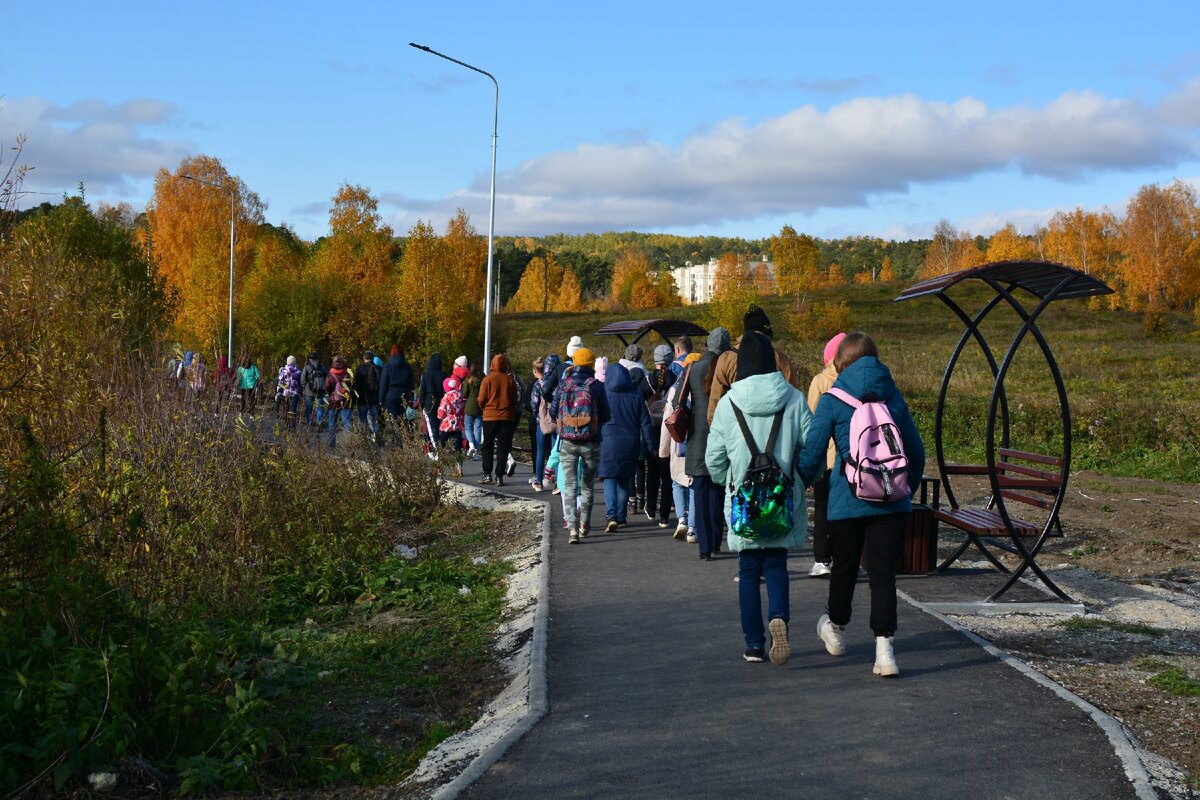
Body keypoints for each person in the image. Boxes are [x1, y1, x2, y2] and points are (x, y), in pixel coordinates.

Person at [798, 332, 925, 678]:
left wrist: (804, 479)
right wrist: (902, 489)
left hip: (847, 498)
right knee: (883, 575)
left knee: (845, 568)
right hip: (890, 502)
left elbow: (812, 451)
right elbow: (915, 452)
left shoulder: (833, 397)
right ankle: (884, 651)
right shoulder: (893, 397)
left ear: (841, 361)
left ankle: (836, 630)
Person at [707, 330, 812, 665]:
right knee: (777, 563)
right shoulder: (794, 399)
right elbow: (812, 449)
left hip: (744, 501)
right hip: (781, 501)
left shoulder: (728, 404)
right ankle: (778, 617)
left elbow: (714, 460)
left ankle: (754, 644)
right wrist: (799, 480)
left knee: (749, 569)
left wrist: (733, 483)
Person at [550, 347, 610, 543]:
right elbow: (606, 414)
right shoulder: (596, 386)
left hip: (568, 441)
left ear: (574, 363)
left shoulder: (563, 384)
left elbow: (553, 411)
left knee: (569, 486)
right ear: (592, 364)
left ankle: (573, 529)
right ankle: (585, 525)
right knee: (587, 486)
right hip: (591, 442)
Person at [707, 306, 803, 424]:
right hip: (773, 430)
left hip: (736, 429)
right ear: (766, 330)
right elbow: (793, 397)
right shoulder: (780, 358)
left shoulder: (726, 358)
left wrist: (718, 431)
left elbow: (715, 400)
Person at [684, 327, 732, 559]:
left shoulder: (693, 368)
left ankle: (704, 546)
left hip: (697, 436)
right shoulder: (729, 368)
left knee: (700, 491)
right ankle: (715, 541)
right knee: (718, 491)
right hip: (721, 435)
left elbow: (678, 400)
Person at [806, 332, 847, 577]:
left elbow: (810, 424)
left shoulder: (820, 382)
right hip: (848, 459)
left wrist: (809, 465)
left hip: (823, 459)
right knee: (843, 510)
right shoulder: (854, 381)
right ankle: (842, 556)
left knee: (821, 508)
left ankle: (822, 560)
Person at [599, 363, 655, 533]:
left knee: (610, 479)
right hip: (630, 442)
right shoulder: (636, 396)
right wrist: (651, 447)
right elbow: (646, 424)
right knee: (624, 479)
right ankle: (621, 517)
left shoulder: (604, 394)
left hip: (607, 441)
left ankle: (611, 516)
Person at [643, 346, 676, 526]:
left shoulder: (647, 380)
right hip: (668, 430)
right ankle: (664, 514)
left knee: (652, 472)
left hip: (650, 430)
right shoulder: (675, 380)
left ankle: (650, 507)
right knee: (667, 474)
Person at [476, 353, 520, 485]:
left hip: (490, 416)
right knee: (503, 446)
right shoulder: (510, 380)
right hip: (506, 417)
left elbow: (481, 399)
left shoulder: (487, 380)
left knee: (487, 445)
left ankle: (487, 473)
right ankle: (499, 476)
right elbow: (514, 399)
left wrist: (485, 408)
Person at [658, 371, 691, 537]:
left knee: (677, 482)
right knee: (693, 484)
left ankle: (681, 519)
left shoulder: (676, 391)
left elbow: (667, 422)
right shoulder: (706, 388)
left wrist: (663, 451)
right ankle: (693, 525)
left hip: (678, 442)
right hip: (698, 443)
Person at [379, 345, 415, 440]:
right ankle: (405, 441)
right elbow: (411, 385)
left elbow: (383, 384)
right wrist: (410, 399)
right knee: (404, 420)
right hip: (404, 396)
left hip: (391, 396)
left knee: (394, 421)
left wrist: (381, 400)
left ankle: (398, 443)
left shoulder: (387, 366)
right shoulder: (408, 367)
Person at [437, 376, 466, 477]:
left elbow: (440, 413)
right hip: (458, 425)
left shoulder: (445, 398)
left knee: (441, 446)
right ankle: (459, 469)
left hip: (447, 426)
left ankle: (439, 468)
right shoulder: (461, 396)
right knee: (458, 447)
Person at [417, 354, 446, 455]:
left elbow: (422, 391)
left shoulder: (426, 375)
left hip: (429, 401)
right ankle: (440, 442)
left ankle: (432, 443)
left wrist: (421, 403)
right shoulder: (444, 374)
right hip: (441, 400)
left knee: (430, 423)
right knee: (440, 423)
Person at [323, 355, 354, 446]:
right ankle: (348, 443)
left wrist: (331, 394)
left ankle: (331, 442)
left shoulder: (330, 373)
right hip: (346, 400)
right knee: (346, 422)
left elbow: (326, 386)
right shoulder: (347, 372)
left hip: (333, 401)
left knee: (332, 422)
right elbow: (351, 385)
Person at [354, 350, 382, 440]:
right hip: (375, 398)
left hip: (362, 398)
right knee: (374, 419)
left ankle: (364, 438)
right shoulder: (379, 368)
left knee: (362, 420)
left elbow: (355, 384)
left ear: (364, 358)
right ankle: (375, 436)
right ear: (373, 358)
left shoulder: (359, 369)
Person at [462, 361, 484, 460]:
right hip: (480, 406)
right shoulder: (483, 379)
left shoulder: (468, 380)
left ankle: (471, 445)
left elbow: (464, 394)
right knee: (478, 429)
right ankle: (475, 451)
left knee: (468, 427)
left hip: (469, 406)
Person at [276, 355, 302, 430]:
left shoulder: (285, 371)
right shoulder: (297, 372)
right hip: (292, 394)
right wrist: (300, 392)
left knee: (288, 410)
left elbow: (279, 383)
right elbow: (300, 384)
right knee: (291, 410)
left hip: (288, 393)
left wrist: (279, 392)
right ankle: (290, 426)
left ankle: (289, 426)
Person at [301, 352, 327, 427]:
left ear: (309, 359)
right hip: (320, 391)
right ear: (317, 359)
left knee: (309, 408)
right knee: (320, 407)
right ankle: (319, 423)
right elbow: (326, 377)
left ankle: (310, 424)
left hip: (309, 391)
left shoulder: (307, 368)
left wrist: (304, 387)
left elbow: (302, 379)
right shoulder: (322, 367)